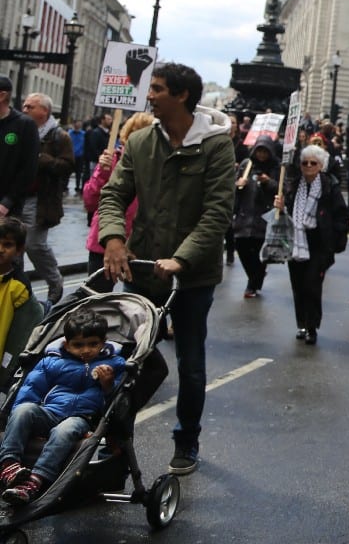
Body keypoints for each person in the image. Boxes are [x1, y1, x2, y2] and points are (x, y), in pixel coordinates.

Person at [98, 61, 236, 476]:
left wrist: (182, 258)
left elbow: (217, 213)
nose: (150, 95)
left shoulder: (216, 145)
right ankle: (115, 438)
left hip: (192, 276)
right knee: (123, 359)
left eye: (157, 89)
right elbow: (113, 195)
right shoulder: (140, 141)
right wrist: (115, 240)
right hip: (143, 270)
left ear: (182, 96)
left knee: (190, 363)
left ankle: (186, 439)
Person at [0, 307, 125, 505]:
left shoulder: (115, 364)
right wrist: (26, 420)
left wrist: (108, 385)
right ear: (66, 345)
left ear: (103, 343)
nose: (86, 350)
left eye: (93, 344)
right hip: (50, 412)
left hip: (81, 418)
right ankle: (9, 465)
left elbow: (120, 404)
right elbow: (30, 390)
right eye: (78, 345)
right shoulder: (51, 361)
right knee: (23, 410)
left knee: (63, 430)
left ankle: (35, 481)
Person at [274, 144, 349, 345]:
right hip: (296, 243)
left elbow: (342, 215)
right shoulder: (292, 185)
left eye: (313, 163)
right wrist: (280, 207)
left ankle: (312, 327)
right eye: (304, 163)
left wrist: (332, 239)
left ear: (321, 165)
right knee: (298, 287)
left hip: (319, 245)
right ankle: (301, 323)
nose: (308, 166)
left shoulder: (329, 186)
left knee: (312, 286)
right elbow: (285, 213)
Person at [82, 112, 155, 277]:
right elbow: (90, 201)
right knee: (99, 298)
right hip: (106, 240)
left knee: (137, 299)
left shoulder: (160, 165)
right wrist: (101, 173)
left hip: (140, 243)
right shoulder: (112, 159)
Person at [19, 93, 74, 306]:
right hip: (17, 197)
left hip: (41, 200)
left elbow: (68, 166)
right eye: (24, 106)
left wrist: (44, 159)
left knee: (34, 245)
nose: (24, 109)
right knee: (12, 248)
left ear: (44, 111)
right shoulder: (21, 131)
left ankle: (55, 281)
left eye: (29, 106)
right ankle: (19, 292)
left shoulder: (59, 136)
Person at [233, 136, 281, 298]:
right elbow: (235, 188)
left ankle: (252, 285)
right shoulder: (247, 165)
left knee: (259, 253)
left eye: (265, 152)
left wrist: (268, 182)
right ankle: (256, 276)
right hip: (244, 215)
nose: (261, 155)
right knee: (241, 247)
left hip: (264, 217)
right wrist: (238, 184)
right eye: (259, 151)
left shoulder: (276, 167)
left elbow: (282, 189)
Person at [0, 77, 38, 225]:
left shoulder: (24, 124)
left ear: (2, 96)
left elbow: (29, 169)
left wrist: (7, 202)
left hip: (7, 208)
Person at [0, 217, 32, 351]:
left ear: (19, 250)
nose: (0, 249)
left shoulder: (19, 286)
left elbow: (20, 332)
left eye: (7, 245)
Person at [68, 120, 86, 194]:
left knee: (79, 172)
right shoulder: (69, 133)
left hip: (80, 155)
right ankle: (64, 186)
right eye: (77, 123)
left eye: (80, 123)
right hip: (71, 154)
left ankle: (78, 186)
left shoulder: (84, 134)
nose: (79, 125)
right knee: (67, 171)